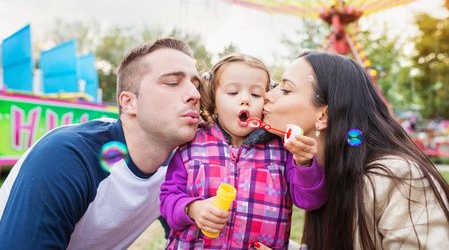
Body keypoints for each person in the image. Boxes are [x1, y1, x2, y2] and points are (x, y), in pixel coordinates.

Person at [0, 37, 201, 249]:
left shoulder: (180, 167)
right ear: (129, 102)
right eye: (172, 83)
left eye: (196, 85)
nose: (195, 95)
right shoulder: (65, 159)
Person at [258, 51, 449, 249]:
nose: (267, 96)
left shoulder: (399, 177)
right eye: (275, 86)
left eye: (286, 90)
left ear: (324, 115)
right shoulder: (327, 174)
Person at [160, 53, 326, 249]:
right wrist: (193, 209)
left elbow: (309, 200)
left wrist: (304, 163)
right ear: (214, 99)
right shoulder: (191, 145)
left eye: (256, 95)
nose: (246, 100)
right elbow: (168, 199)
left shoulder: (282, 151)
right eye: (232, 92)